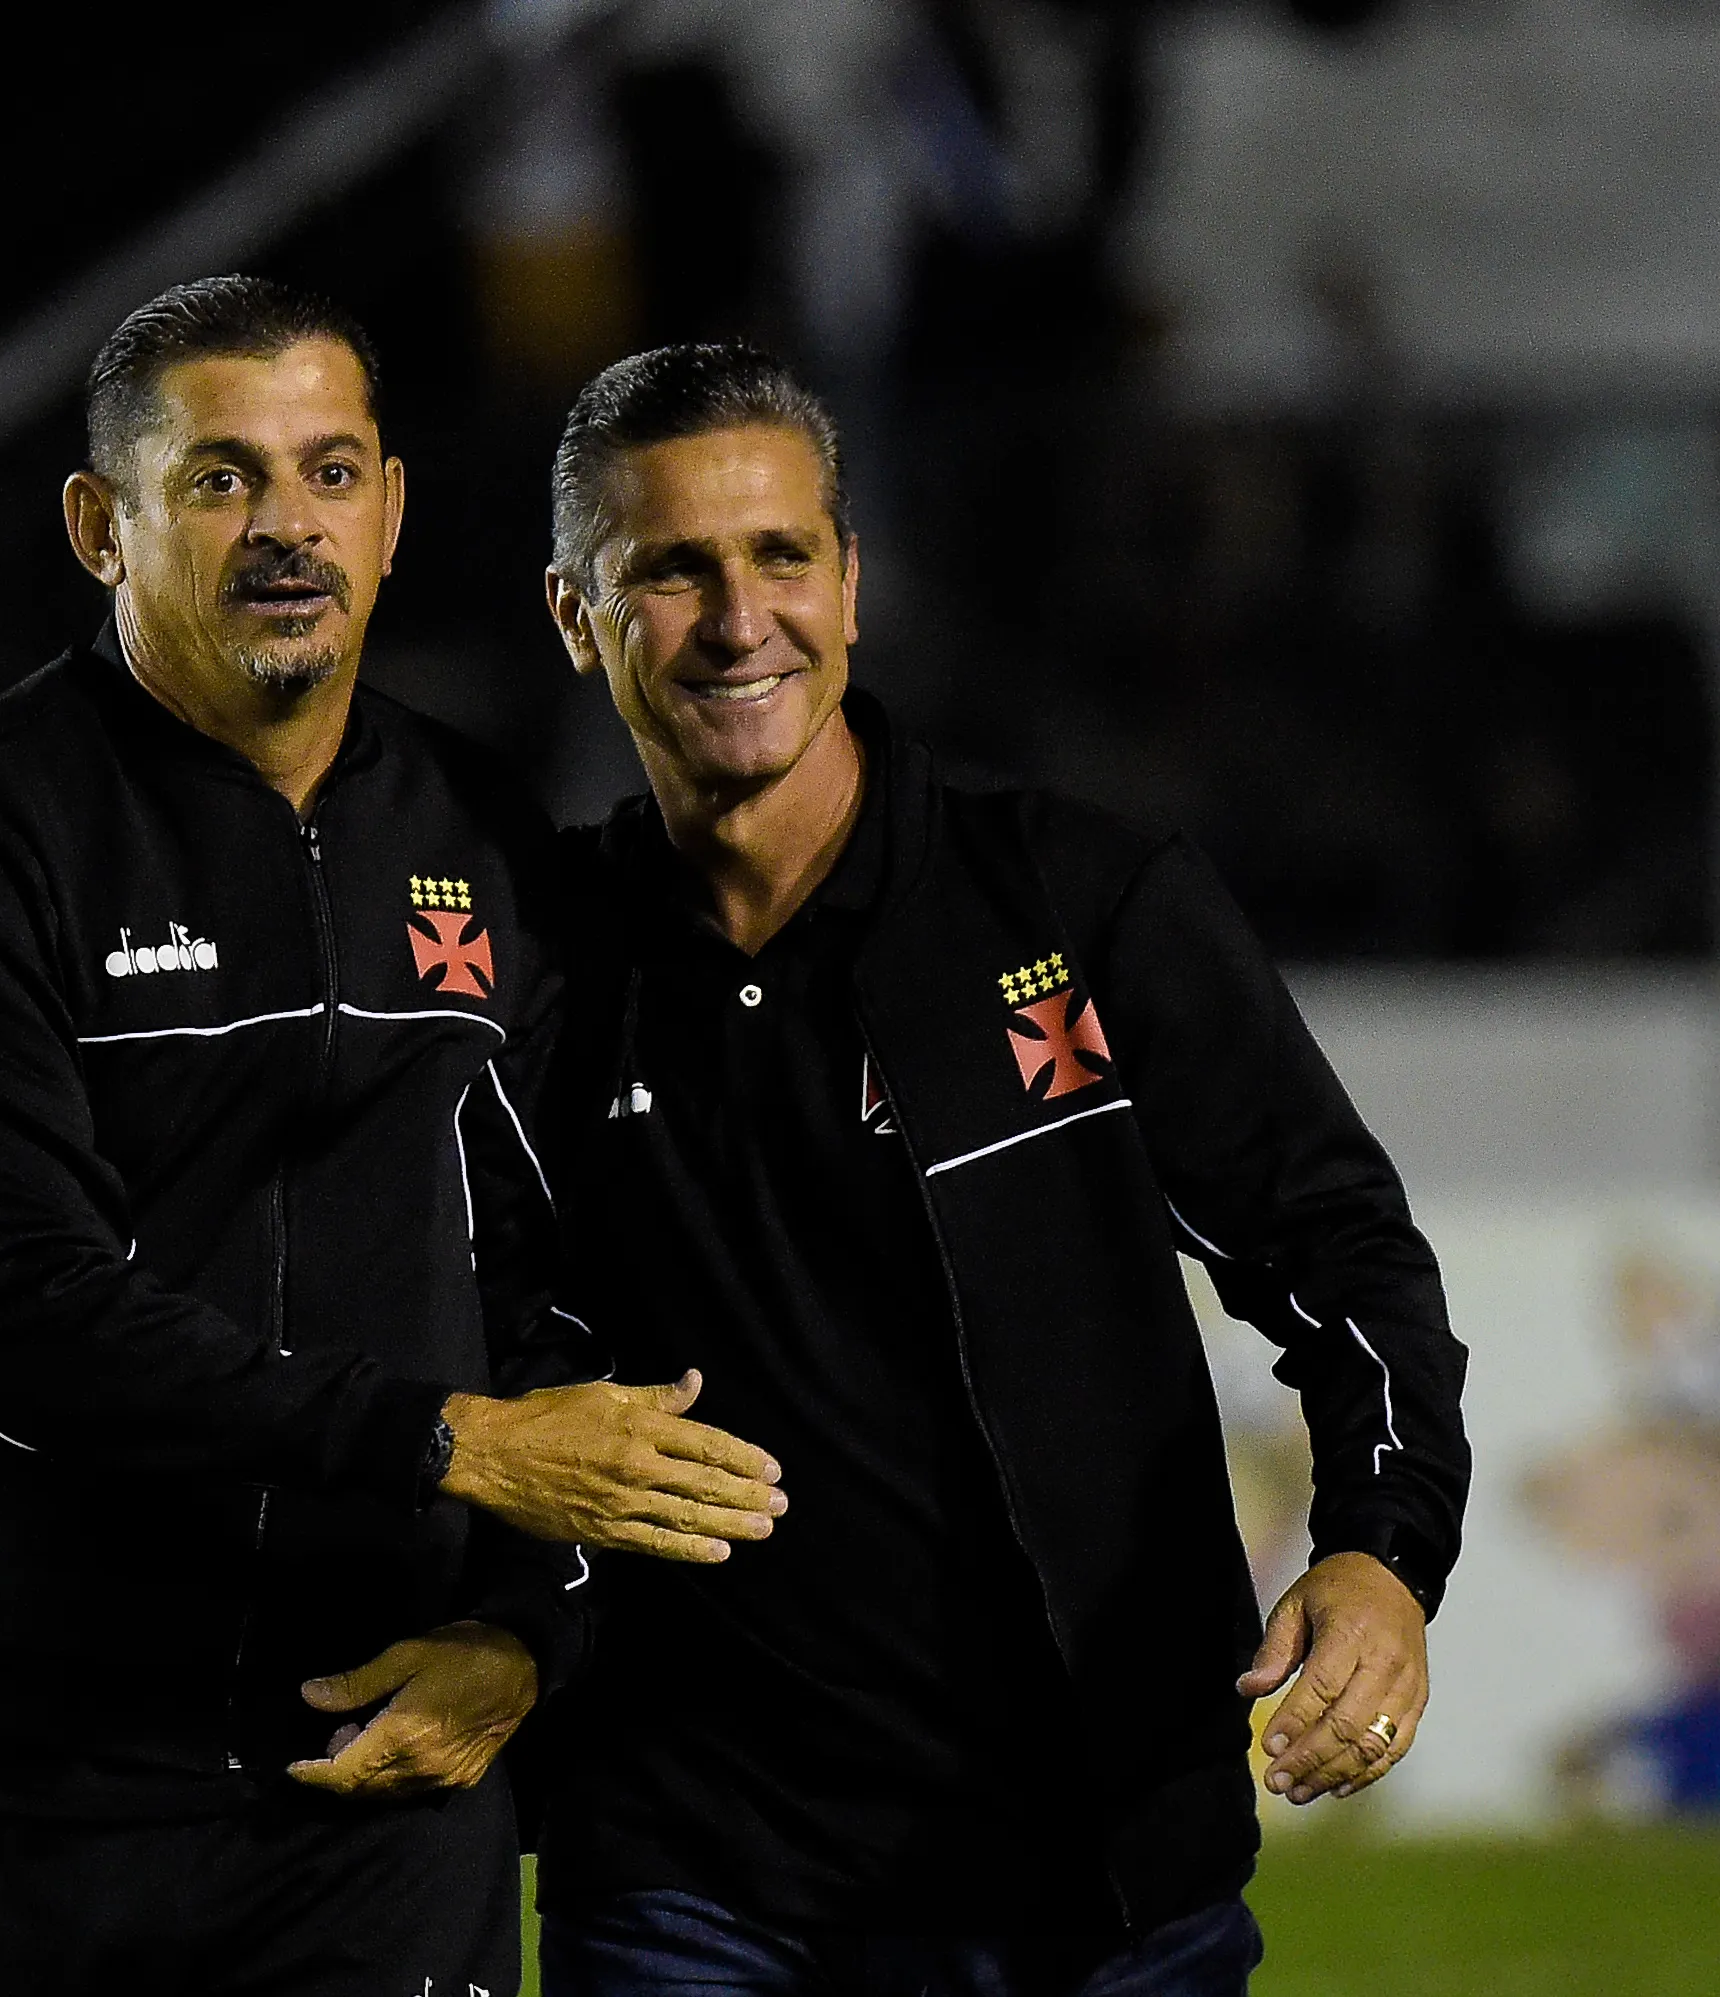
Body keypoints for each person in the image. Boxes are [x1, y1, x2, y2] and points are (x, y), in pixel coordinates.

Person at [0, 277, 787, 1997]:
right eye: (219, 480)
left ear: (396, 513)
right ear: (99, 529)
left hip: (377, 1757)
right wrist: (447, 1445)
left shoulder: (488, 835)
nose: (288, 527)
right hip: (7, 1768)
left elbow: (569, 1294)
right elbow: (29, 1324)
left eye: (331, 473)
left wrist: (527, 1634)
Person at [523, 343, 1471, 1996]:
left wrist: (1382, 1551)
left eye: (781, 557)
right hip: (690, 1884)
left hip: (1099, 1888)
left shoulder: (1080, 903)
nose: (741, 619)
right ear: (573, 618)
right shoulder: (535, 957)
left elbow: (1343, 1257)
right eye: (669, 571)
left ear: (853, 581)